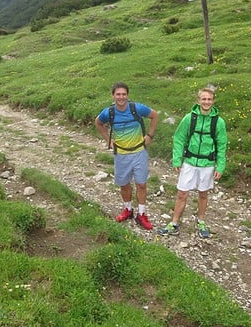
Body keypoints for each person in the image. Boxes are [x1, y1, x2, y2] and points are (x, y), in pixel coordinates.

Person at [158, 87, 228, 239]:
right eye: (203, 99)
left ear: (213, 101)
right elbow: (179, 138)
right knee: (182, 193)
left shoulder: (219, 122)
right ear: (198, 100)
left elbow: (222, 145)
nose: (206, 102)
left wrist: (220, 165)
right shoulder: (189, 118)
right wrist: (177, 159)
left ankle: (201, 221)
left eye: (209, 99)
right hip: (190, 162)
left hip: (207, 164)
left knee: (203, 194)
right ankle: (174, 223)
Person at [95, 82, 158, 230]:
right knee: (124, 184)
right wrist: (108, 140)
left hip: (139, 152)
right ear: (113, 95)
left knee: (141, 184)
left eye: (124, 94)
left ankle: (141, 214)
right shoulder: (108, 112)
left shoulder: (136, 108)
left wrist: (150, 136)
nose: (121, 97)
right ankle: (128, 210)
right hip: (121, 154)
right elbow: (98, 123)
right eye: (118, 94)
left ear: (127, 95)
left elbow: (154, 116)